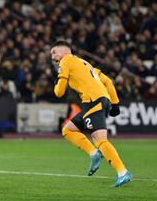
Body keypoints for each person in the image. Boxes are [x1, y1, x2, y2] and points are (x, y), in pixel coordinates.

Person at [51, 40, 132, 187]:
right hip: (99, 101)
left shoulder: (66, 60)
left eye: (54, 52)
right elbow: (108, 82)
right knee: (68, 130)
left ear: (64, 51)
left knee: (99, 139)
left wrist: (57, 83)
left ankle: (122, 172)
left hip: (93, 101)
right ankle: (94, 154)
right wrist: (115, 103)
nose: (52, 56)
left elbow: (59, 92)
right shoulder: (85, 63)